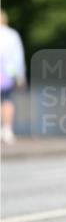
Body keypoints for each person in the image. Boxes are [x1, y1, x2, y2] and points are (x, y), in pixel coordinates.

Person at [0, 9, 26, 144]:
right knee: (7, 100)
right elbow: (17, 57)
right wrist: (20, 75)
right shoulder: (11, 35)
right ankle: (7, 129)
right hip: (7, 73)